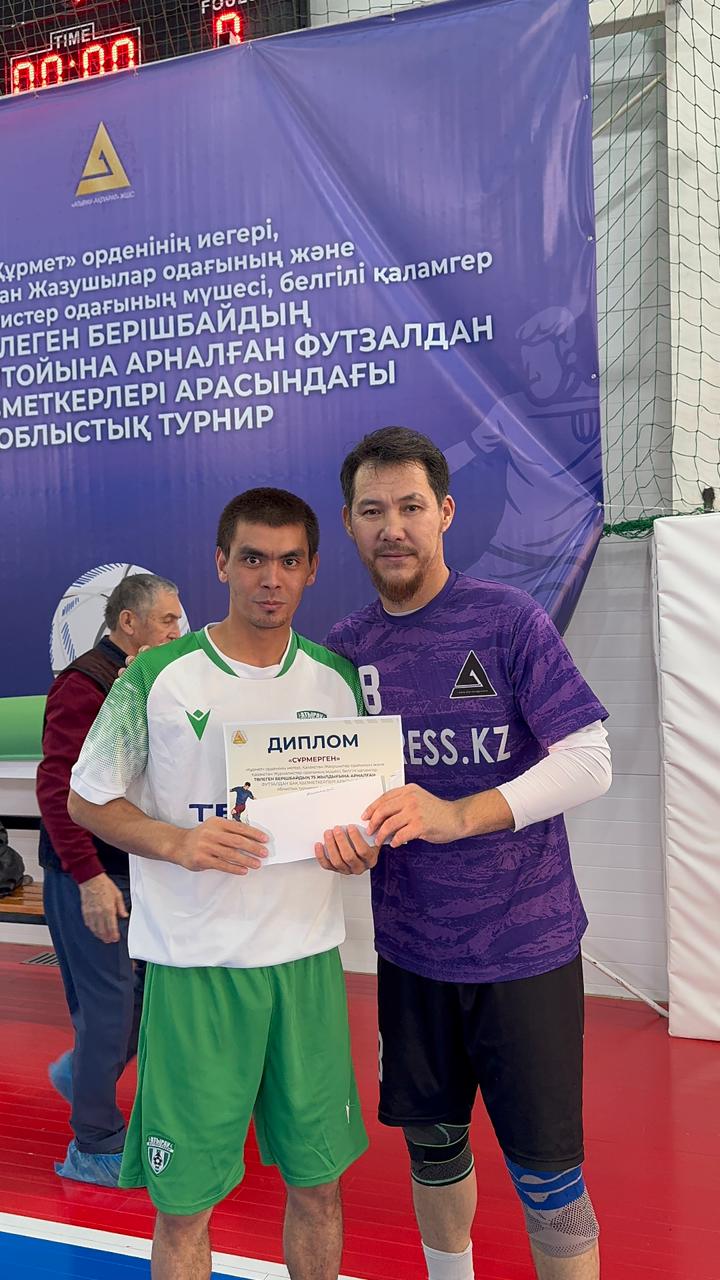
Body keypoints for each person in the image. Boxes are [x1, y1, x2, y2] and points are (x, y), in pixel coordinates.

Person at [317, 427, 612, 1280]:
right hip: (411, 956)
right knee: (434, 1148)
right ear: (350, 523)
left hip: (525, 953)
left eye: (411, 507)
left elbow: (590, 760)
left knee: (550, 1181)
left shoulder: (507, 619)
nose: (393, 528)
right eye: (373, 511)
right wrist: (343, 842)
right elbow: (336, 795)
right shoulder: (346, 649)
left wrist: (458, 815)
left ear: (445, 513)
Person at [67, 488, 368, 1280]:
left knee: (319, 1188)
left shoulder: (336, 680)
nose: (271, 577)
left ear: (312, 569)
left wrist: (357, 850)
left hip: (305, 966)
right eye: (253, 558)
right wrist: (176, 841)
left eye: (289, 561)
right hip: (196, 968)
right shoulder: (156, 675)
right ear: (221, 564)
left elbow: (354, 816)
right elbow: (86, 798)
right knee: (184, 1207)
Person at [36, 573, 183, 1187]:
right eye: (168, 620)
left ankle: (80, 1074)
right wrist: (89, 876)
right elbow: (56, 790)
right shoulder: (83, 685)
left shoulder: (146, 681)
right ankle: (93, 1143)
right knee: (109, 1009)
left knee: (141, 1002)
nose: (179, 631)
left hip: (134, 869)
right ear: (128, 623)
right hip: (89, 875)